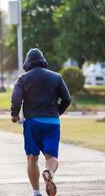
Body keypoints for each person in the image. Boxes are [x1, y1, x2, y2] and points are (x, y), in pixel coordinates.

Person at [10, 48, 71, 196]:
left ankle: (36, 192)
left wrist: (14, 114)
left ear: (28, 63)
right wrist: (57, 112)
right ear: (43, 61)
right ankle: (49, 172)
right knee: (52, 157)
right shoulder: (56, 77)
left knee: (32, 158)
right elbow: (67, 99)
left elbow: (16, 98)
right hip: (52, 123)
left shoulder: (23, 79)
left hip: (33, 123)